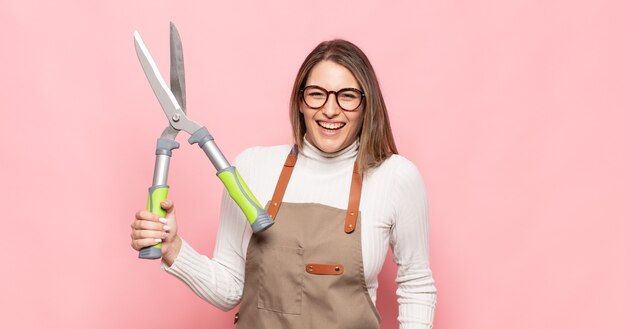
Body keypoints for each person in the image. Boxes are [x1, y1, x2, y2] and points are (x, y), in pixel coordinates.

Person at [130, 39, 436, 328]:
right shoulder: (252, 167)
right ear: (300, 101)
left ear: (366, 105)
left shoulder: (396, 178)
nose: (330, 110)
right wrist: (173, 248)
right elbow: (229, 289)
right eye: (317, 93)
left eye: (347, 96)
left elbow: (416, 286)